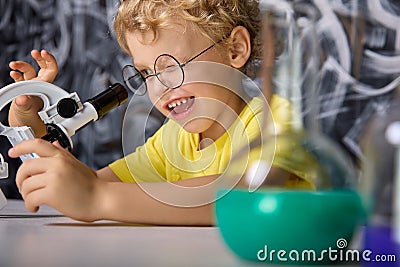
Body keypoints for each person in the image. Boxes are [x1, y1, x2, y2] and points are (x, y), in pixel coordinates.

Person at [7, 0, 315, 225]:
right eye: (146, 73)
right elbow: (86, 183)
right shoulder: (172, 141)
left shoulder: (275, 119)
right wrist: (29, 122)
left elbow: (243, 195)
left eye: (173, 67)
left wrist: (97, 197)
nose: (158, 87)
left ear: (235, 50)